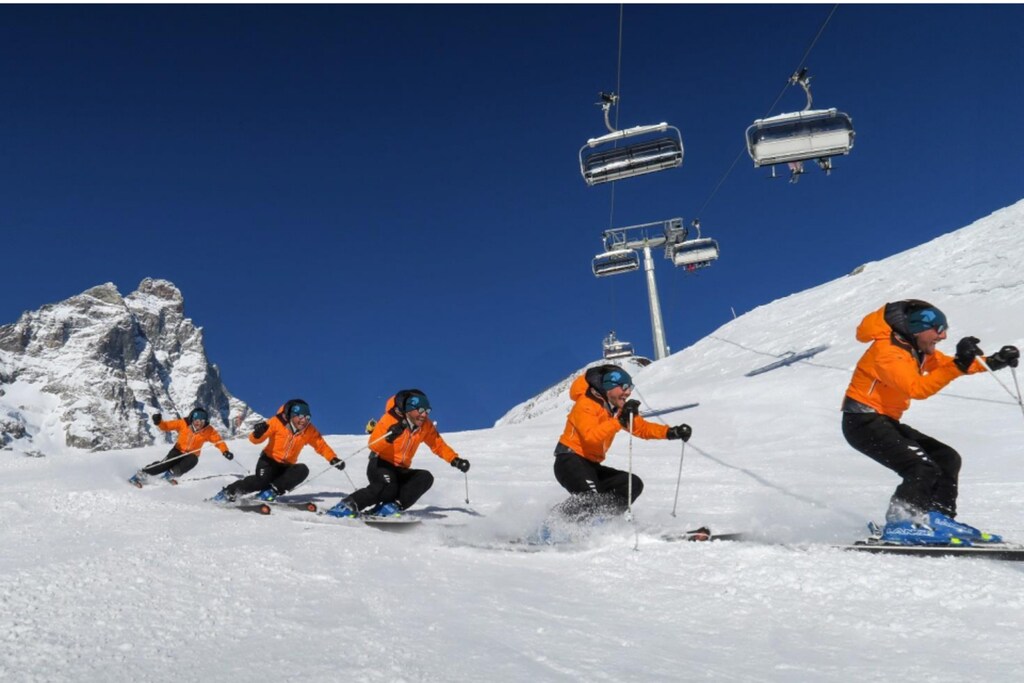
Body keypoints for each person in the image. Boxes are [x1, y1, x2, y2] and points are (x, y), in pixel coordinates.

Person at [842, 300, 1019, 545]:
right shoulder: (887, 352)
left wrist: (994, 360)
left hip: (883, 420)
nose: (943, 336)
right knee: (921, 466)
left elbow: (948, 365)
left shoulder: (914, 348)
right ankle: (902, 522)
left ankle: (936, 517)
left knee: (946, 458)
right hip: (862, 422)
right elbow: (917, 389)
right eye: (939, 329)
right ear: (917, 328)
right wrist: (958, 364)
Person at [551, 364, 691, 522]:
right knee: (591, 499)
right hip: (570, 461)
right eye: (624, 387)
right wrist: (619, 421)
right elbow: (591, 436)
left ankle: (607, 523)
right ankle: (557, 520)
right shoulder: (586, 404)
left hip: (591, 466)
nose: (628, 392)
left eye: (630, 387)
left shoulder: (617, 409)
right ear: (609, 386)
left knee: (631, 484)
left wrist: (671, 432)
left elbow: (641, 428)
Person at [326, 389, 469, 518]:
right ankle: (348, 505)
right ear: (409, 409)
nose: (424, 415)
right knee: (388, 487)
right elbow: (373, 445)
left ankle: (391, 507)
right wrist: (389, 437)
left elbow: (437, 444)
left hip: (401, 469)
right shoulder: (390, 419)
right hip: (380, 464)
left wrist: (455, 460)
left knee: (425, 477)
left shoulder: (426, 426)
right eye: (420, 410)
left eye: (427, 411)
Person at [212, 398, 344, 503]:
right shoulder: (276, 422)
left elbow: (320, 445)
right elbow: (254, 440)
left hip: (286, 467)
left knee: (302, 470)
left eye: (307, 417)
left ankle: (270, 492)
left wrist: (333, 458)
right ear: (291, 415)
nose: (304, 421)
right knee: (260, 481)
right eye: (300, 417)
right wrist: (258, 433)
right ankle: (229, 492)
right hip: (268, 462)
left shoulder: (309, 430)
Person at [129, 407, 233, 486]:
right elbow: (167, 426)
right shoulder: (183, 423)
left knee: (193, 460)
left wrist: (225, 451)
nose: (199, 424)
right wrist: (159, 422)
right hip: (178, 450)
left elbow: (218, 441)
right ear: (192, 419)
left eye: (202, 421)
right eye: (197, 420)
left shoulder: (208, 430)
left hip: (191, 454)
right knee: (165, 464)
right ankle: (141, 474)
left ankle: (169, 476)